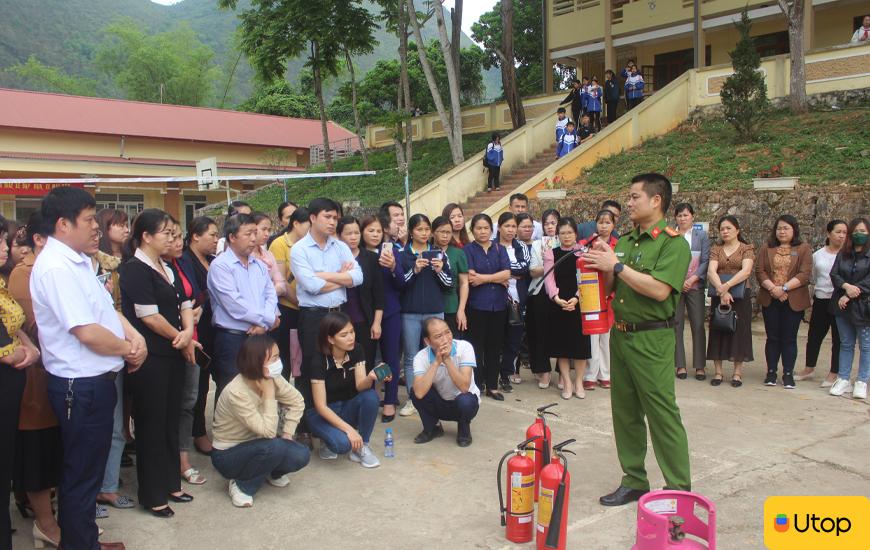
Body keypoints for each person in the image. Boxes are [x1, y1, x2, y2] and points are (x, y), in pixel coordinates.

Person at [31, 186, 146, 550]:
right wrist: (129, 349)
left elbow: (104, 310)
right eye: (88, 220)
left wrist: (130, 333)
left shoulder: (79, 260)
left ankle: (85, 541)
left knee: (89, 471)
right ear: (62, 224)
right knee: (81, 475)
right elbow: (86, 332)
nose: (96, 226)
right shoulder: (55, 268)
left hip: (96, 380)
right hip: (78, 385)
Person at [584, 173, 692, 506]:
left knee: (662, 413)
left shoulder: (672, 243)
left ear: (656, 200)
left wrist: (615, 266)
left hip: (653, 338)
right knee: (625, 412)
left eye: (634, 197)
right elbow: (614, 288)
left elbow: (660, 290)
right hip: (622, 335)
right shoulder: (627, 242)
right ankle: (634, 480)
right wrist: (601, 264)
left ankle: (678, 487)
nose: (628, 203)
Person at [120, 209, 197, 518]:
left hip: (175, 352)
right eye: (165, 232)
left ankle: (170, 482)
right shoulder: (134, 269)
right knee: (151, 425)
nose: (171, 237)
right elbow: (147, 315)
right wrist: (181, 336)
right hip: (151, 357)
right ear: (146, 237)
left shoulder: (166, 265)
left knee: (170, 420)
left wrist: (188, 332)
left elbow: (185, 302)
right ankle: (152, 494)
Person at [8, 214, 63, 549]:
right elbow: (35, 327)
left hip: (44, 371)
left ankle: (48, 516)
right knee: (36, 454)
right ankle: (45, 522)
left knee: (46, 452)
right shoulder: (25, 274)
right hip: (31, 380)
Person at [211, 334, 310, 507]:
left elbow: (297, 401)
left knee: (301, 454)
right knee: (275, 446)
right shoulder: (237, 392)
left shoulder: (273, 377)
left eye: (278, 356)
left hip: (260, 444)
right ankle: (241, 485)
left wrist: (287, 434)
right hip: (228, 455)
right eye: (274, 358)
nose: (278, 362)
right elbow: (269, 432)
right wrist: (269, 394)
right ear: (256, 362)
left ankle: (269, 471)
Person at [290, 198, 363, 423]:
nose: (333, 222)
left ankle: (339, 418)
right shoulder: (299, 250)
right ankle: (309, 424)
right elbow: (311, 287)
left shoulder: (340, 246)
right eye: (327, 217)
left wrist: (323, 275)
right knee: (312, 366)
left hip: (338, 313)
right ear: (312, 218)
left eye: (335, 217)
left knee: (340, 365)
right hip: (313, 316)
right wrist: (343, 278)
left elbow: (358, 277)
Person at [1, 215, 42, 550]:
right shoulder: (20, 274)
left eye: (5, 241)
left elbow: (14, 326)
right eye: (0, 242)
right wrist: (21, 354)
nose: (6, 249)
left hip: (13, 381)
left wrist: (27, 349)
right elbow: (6, 351)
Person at [208, 213, 279, 399]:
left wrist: (264, 324)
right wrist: (267, 321)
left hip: (260, 337)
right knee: (232, 393)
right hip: (233, 339)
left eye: (255, 233)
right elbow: (235, 304)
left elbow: (270, 295)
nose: (254, 239)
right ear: (232, 237)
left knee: (260, 389)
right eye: (248, 234)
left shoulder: (259, 265)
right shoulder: (221, 266)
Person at [93, 209, 134, 514]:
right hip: (92, 358)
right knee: (92, 429)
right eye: (116, 225)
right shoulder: (81, 268)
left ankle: (107, 487)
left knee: (117, 426)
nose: (124, 229)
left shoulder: (120, 266)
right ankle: (92, 492)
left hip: (118, 352)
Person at [162, 218, 207, 487]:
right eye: (170, 236)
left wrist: (194, 311)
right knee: (168, 405)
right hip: (169, 343)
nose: (177, 242)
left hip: (193, 338)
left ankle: (182, 458)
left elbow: (194, 296)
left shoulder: (183, 262)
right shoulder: (150, 268)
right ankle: (168, 460)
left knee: (188, 401)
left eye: (179, 236)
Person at [304, 312, 381, 467]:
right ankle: (326, 438)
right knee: (343, 445)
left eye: (352, 332)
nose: (351, 337)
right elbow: (320, 406)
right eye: (344, 335)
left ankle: (362, 446)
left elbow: (360, 386)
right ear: (330, 339)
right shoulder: (318, 360)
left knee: (371, 396)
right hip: (320, 414)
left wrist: (371, 377)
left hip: (345, 407)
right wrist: (350, 430)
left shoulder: (357, 350)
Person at [399, 214, 452, 416]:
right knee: (411, 356)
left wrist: (439, 271)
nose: (424, 233)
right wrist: (414, 269)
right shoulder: (403, 255)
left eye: (426, 229)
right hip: (409, 312)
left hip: (434, 311)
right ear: (411, 231)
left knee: (436, 354)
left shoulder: (439, 254)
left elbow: (449, 284)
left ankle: (436, 396)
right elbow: (401, 284)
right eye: (419, 229)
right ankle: (414, 399)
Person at [177, 216, 219, 456]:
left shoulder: (214, 261)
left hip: (216, 328)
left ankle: (216, 428)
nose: (216, 240)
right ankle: (198, 432)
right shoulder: (184, 261)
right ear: (195, 236)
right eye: (212, 235)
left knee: (218, 382)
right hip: (196, 330)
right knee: (198, 387)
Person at [756, 214, 812, 389]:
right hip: (770, 297)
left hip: (793, 298)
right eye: (779, 228)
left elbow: (804, 274)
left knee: (789, 338)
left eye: (786, 228)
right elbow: (760, 271)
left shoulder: (803, 249)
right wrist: (773, 289)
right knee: (772, 337)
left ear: (794, 230)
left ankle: (788, 373)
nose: (782, 231)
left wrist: (784, 288)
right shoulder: (767, 248)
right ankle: (771, 372)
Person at [360, 215, 404, 422]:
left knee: (391, 357)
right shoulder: (355, 254)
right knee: (365, 358)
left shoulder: (392, 251)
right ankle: (368, 398)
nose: (375, 235)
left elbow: (402, 282)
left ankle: (389, 400)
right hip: (363, 313)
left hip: (390, 312)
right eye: (370, 230)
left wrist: (394, 266)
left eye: (378, 231)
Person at [411, 318, 480, 447]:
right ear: (427, 341)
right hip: (441, 401)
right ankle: (433, 428)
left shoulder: (464, 347)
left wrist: (447, 360)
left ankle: (464, 429)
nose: (445, 339)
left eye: (447, 332)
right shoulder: (421, 357)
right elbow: (419, 393)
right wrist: (436, 362)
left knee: (465, 400)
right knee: (415, 389)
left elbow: (465, 387)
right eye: (438, 336)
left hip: (463, 401)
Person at [543, 217, 592, 400]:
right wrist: (556, 298)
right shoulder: (551, 254)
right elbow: (549, 279)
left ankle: (578, 381)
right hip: (558, 305)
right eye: (562, 233)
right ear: (558, 235)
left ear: (576, 234)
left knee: (580, 347)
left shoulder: (583, 253)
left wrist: (576, 298)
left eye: (569, 232)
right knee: (561, 347)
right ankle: (567, 382)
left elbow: (586, 278)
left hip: (579, 304)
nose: (566, 236)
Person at [464, 213, 511, 400]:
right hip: (476, 306)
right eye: (478, 228)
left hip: (498, 306)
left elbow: (507, 273)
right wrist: (496, 278)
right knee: (476, 347)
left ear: (492, 230)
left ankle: (493, 385)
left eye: (486, 228)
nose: (482, 231)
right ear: (472, 230)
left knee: (494, 346)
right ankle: (477, 384)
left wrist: (484, 278)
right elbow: (470, 277)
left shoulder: (500, 249)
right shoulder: (468, 250)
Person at [796, 219, 848, 386]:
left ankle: (834, 372)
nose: (841, 236)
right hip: (821, 299)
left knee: (838, 338)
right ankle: (809, 368)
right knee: (814, 335)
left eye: (844, 233)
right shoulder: (818, 255)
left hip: (840, 301)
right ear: (828, 233)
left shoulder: (848, 256)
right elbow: (812, 277)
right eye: (838, 232)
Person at [706, 216, 755, 387]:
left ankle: (737, 373)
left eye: (729, 228)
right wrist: (721, 291)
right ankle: (718, 372)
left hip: (740, 295)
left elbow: (746, 271)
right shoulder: (716, 249)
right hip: (719, 294)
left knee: (739, 331)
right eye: (722, 229)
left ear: (737, 230)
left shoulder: (746, 248)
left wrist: (726, 287)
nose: (725, 231)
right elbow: (711, 271)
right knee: (718, 329)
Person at [828, 217, 870, 401]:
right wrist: (846, 287)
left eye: (863, 231)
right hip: (842, 305)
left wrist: (853, 292)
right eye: (856, 231)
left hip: (863, 306)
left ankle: (862, 380)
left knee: (866, 345)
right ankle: (843, 378)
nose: (859, 234)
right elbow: (834, 274)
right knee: (846, 344)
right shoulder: (843, 253)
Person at [268, 207, 311, 379]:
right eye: (309, 225)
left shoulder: (309, 244)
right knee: (285, 355)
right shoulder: (279, 244)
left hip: (305, 308)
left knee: (302, 358)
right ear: (296, 223)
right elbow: (282, 282)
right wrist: (300, 303)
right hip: (288, 308)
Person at [337, 216, 384, 369]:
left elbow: (379, 294)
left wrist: (377, 323)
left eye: (356, 233)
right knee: (343, 364)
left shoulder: (370, 258)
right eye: (348, 234)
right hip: (341, 321)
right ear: (339, 236)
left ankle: (367, 393)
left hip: (365, 320)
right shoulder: (334, 258)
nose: (353, 237)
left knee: (366, 362)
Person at [673, 203, 711, 381]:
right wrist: (679, 282)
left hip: (695, 286)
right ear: (675, 218)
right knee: (676, 324)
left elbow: (705, 260)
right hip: (675, 287)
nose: (683, 218)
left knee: (697, 324)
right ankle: (679, 364)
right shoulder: (670, 235)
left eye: (686, 215)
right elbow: (667, 262)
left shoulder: (701, 236)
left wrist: (692, 279)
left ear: (693, 217)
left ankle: (699, 366)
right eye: (679, 215)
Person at [581, 210, 618, 390]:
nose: (604, 226)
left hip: (610, 297)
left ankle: (606, 374)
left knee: (606, 337)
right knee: (592, 336)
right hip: (591, 296)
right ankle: (590, 374)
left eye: (608, 222)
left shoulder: (617, 245)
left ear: (614, 225)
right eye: (600, 222)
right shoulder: (587, 244)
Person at [496, 213, 530, 390]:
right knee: (495, 340)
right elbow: (492, 268)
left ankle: (505, 374)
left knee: (514, 341)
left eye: (513, 226)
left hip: (518, 301)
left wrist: (503, 271)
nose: (510, 230)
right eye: (507, 226)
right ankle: (491, 374)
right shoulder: (492, 246)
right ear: (499, 227)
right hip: (497, 300)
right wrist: (508, 272)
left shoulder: (521, 245)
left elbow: (524, 267)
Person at [527, 209, 560, 388]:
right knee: (539, 332)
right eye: (546, 223)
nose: (550, 226)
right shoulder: (537, 244)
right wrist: (553, 263)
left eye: (553, 222)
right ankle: (543, 371)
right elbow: (533, 271)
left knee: (561, 333)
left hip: (561, 291)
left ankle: (562, 373)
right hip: (540, 290)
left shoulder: (566, 241)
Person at [432, 216, 468, 339]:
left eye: (448, 232)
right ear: (433, 232)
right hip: (430, 304)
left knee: (451, 343)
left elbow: (464, 283)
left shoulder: (458, 253)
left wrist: (461, 310)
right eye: (442, 232)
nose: (445, 235)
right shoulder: (427, 251)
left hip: (451, 305)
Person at [251, 212, 288, 299]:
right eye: (263, 229)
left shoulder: (268, 255)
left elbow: (281, 284)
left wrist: (267, 294)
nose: (267, 234)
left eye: (269, 230)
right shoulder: (245, 256)